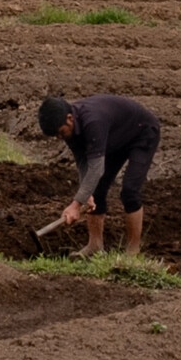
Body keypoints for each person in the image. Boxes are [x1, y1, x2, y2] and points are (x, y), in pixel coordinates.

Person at [35, 89, 160, 257]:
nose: (60, 137)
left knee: (130, 191)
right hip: (115, 138)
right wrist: (86, 195)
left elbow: (96, 168)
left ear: (69, 119)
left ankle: (133, 251)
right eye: (56, 135)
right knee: (95, 189)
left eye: (61, 132)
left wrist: (76, 204)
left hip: (142, 132)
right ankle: (94, 246)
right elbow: (82, 161)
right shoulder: (70, 130)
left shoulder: (93, 121)